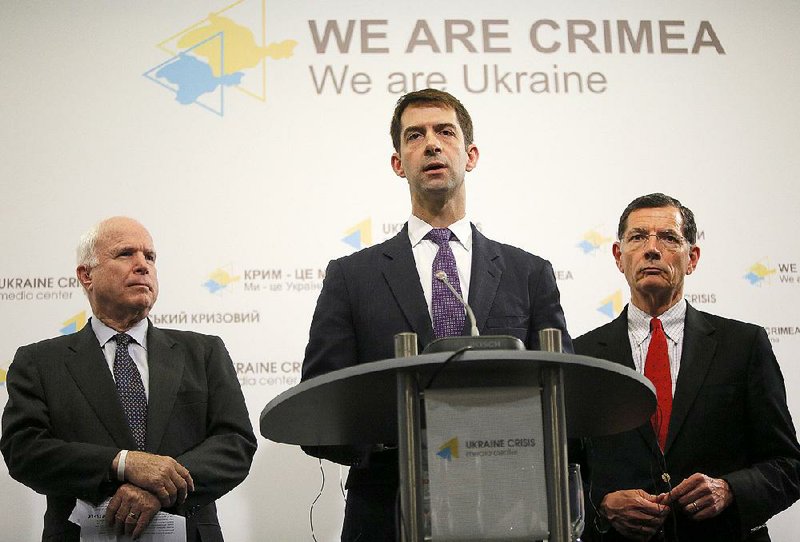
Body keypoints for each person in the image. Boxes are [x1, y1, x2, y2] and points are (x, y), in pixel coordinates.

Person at [301, 88, 572, 541]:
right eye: (414, 135)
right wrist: (396, 443)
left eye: (444, 132)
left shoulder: (529, 273)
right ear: (397, 163)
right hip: (389, 504)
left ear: (470, 155)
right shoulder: (351, 276)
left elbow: (564, 396)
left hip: (510, 502)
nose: (431, 143)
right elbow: (322, 398)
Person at [1, 217, 257, 541]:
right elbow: (24, 450)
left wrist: (161, 490)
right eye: (125, 254)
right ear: (86, 275)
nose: (142, 266)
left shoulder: (203, 352)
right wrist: (121, 463)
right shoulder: (39, 362)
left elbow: (235, 444)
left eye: (150, 257)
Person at [573, 193, 800, 541]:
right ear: (619, 257)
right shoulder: (580, 354)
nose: (652, 249)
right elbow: (560, 472)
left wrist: (730, 489)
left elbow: (788, 466)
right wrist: (601, 505)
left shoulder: (744, 345)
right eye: (637, 237)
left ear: (691, 257)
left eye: (668, 238)